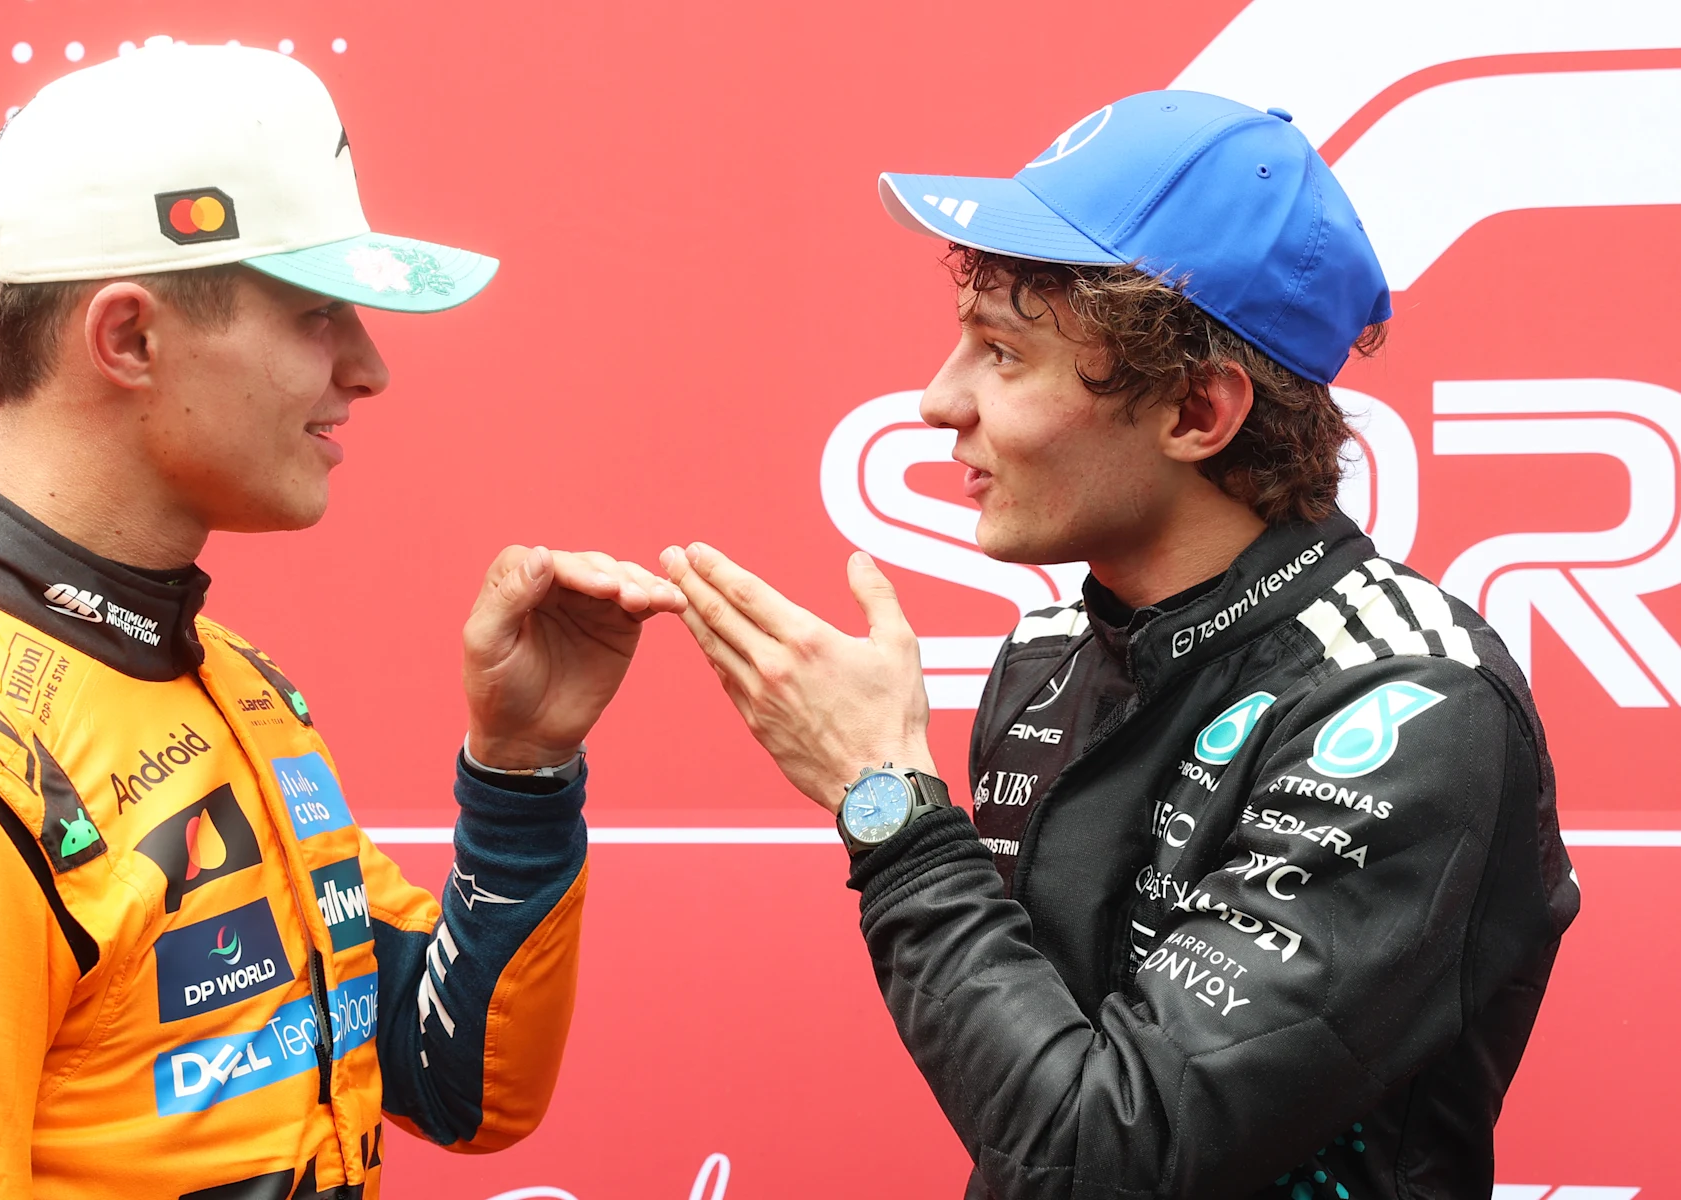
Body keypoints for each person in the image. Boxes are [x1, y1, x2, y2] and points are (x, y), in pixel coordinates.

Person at [0, 44, 682, 1199]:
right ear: (128, 338)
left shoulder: (227, 680)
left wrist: (521, 772)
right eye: (318, 315)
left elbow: (457, 1079)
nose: (369, 369)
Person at [661, 91, 1578, 1198]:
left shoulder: (1411, 706)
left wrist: (887, 805)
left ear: (1195, 412)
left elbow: (1101, 1158)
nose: (936, 401)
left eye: (1002, 353)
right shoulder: (1046, 658)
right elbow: (1025, 1104)